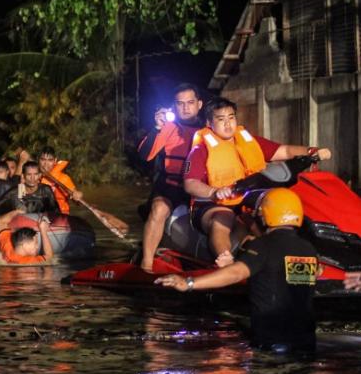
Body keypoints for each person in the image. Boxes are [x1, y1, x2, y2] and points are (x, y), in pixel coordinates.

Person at [156, 188, 318, 352]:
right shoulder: (308, 249)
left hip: (271, 341)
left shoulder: (263, 245)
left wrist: (188, 283)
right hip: (306, 342)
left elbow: (236, 273)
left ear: (265, 215)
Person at [184, 97, 332, 267]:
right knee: (224, 217)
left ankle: (299, 258)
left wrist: (312, 151)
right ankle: (225, 261)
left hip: (246, 199)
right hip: (212, 204)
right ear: (209, 123)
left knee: (279, 209)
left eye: (231, 118)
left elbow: (283, 150)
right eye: (221, 119)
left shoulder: (249, 142)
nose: (228, 124)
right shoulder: (200, 150)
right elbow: (190, 183)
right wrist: (213, 192)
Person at [137, 83, 204, 272]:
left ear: (199, 104)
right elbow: (145, 155)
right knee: (159, 209)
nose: (185, 107)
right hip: (170, 187)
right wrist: (157, 128)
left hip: (200, 188)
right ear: (174, 106)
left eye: (190, 102)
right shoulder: (168, 128)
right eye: (180, 103)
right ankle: (147, 264)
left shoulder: (210, 128)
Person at [39, 146, 83, 215]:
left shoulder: (64, 179)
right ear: (39, 160)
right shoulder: (32, 176)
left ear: (55, 161)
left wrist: (78, 196)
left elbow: (78, 203)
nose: (45, 164)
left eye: (50, 160)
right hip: (39, 216)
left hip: (60, 216)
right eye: (43, 159)